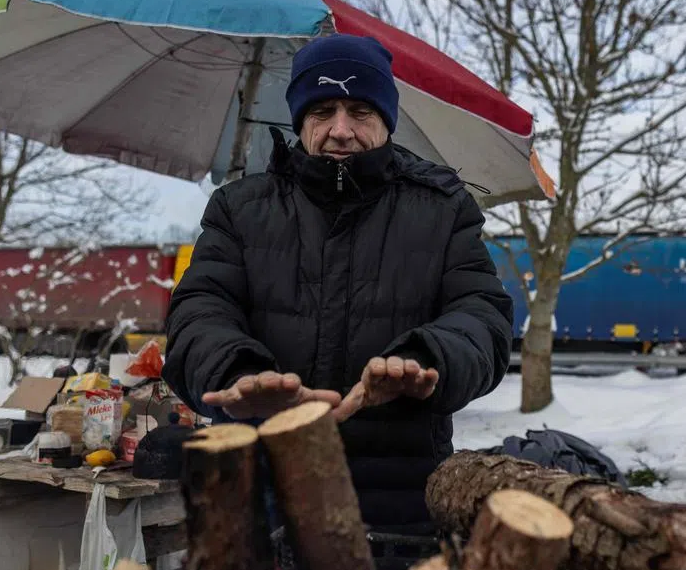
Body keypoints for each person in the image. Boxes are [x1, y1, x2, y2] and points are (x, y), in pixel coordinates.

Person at [162, 33, 513, 528]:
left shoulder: (443, 208)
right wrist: (236, 372)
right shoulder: (239, 208)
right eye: (323, 110)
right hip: (259, 491)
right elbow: (199, 311)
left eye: (360, 111)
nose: (341, 130)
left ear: (386, 120)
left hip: (400, 499)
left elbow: (483, 317)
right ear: (301, 120)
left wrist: (427, 359)